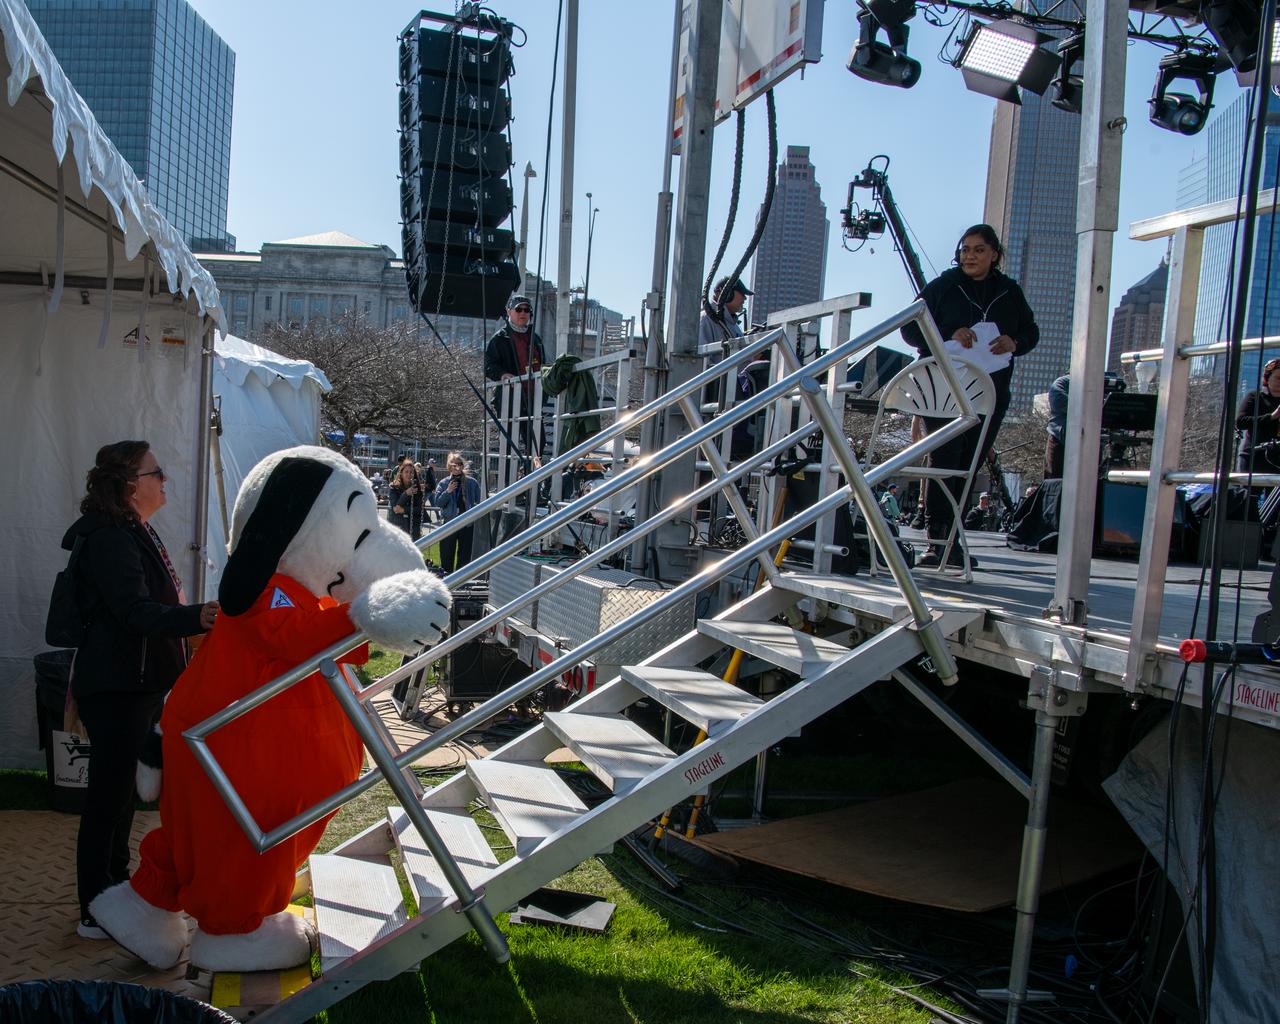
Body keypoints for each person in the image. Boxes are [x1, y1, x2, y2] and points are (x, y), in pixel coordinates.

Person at [62, 440, 217, 938]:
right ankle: (95, 908)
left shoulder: (130, 530)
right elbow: (134, 612)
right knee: (108, 799)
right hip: (117, 688)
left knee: (122, 795)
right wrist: (196, 617)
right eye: (157, 472)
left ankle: (116, 891)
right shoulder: (111, 538)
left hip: (135, 684)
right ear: (131, 485)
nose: (164, 480)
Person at [902, 223, 1039, 568]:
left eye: (979, 250)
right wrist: (949, 332)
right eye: (965, 249)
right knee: (945, 460)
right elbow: (909, 328)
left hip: (989, 392)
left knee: (970, 463)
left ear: (994, 254)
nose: (970, 256)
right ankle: (936, 541)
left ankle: (952, 540)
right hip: (943, 389)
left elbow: (1031, 331)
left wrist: (1015, 342)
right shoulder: (943, 287)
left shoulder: (1009, 291)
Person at [484, 295, 547, 459]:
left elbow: (543, 365)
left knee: (538, 443)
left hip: (532, 399)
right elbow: (488, 366)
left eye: (527, 310)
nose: (523, 313)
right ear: (509, 312)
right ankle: (509, 475)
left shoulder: (536, 339)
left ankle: (530, 474)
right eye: (519, 309)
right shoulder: (500, 338)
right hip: (509, 399)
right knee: (508, 444)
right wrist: (503, 374)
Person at [434, 452, 481, 572]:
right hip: (449, 523)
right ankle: (447, 578)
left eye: (459, 464)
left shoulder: (472, 483)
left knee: (464, 557)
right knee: (446, 555)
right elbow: (438, 503)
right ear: (449, 466)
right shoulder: (444, 483)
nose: (457, 467)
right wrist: (448, 491)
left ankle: (461, 579)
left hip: (466, 524)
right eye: (454, 465)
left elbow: (479, 501)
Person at [1235, 357, 1280, 472]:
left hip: (1277, 459)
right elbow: (1240, 422)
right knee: (1249, 484)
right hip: (1253, 456)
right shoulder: (1254, 396)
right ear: (1267, 378)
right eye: (1278, 378)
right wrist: (1272, 416)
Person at [698, 277, 752, 350]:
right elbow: (701, 355)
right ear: (727, 294)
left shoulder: (734, 326)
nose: (745, 298)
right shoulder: (705, 319)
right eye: (742, 293)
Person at [388, 460, 425, 541]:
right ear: (401, 473)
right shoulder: (394, 488)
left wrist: (404, 510)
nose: (409, 474)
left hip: (414, 528)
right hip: (398, 527)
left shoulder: (418, 490)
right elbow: (396, 508)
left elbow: (420, 509)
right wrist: (406, 494)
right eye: (406, 472)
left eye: (411, 472)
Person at [1044, 373, 1071, 480]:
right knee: (1054, 478)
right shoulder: (1063, 382)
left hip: (1087, 440)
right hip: (1059, 437)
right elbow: (1058, 400)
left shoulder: (1097, 385)